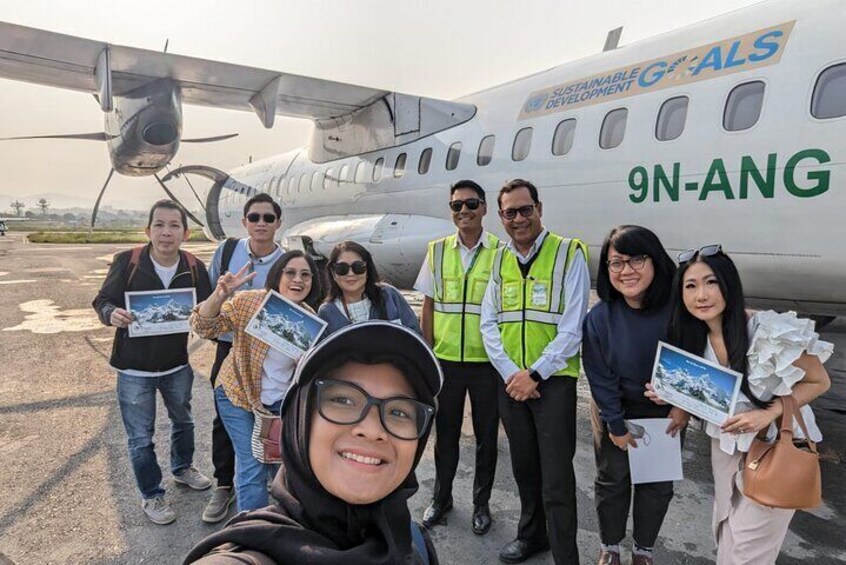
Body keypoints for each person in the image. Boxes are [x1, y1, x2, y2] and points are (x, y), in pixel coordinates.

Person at [184, 321, 442, 565]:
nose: (372, 430)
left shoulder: (413, 540)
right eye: (343, 400)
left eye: (399, 412)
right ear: (299, 421)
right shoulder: (247, 554)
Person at [647, 245, 832, 564]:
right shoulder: (693, 338)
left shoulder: (768, 330)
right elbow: (712, 397)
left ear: (728, 284)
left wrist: (768, 414)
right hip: (725, 447)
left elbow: (819, 381)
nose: (701, 295)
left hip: (776, 448)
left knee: (748, 551)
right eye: (690, 286)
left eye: (711, 282)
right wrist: (674, 398)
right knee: (727, 534)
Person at [480, 179, 590, 565]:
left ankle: (565, 556)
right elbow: (488, 324)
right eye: (510, 212)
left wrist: (536, 374)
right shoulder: (497, 258)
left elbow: (573, 326)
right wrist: (514, 373)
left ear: (539, 209)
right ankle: (532, 537)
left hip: (553, 383)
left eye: (526, 209)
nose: (519, 218)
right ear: (501, 217)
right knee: (525, 468)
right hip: (511, 383)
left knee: (557, 477)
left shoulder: (568, 253)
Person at [92, 199, 213, 525]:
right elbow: (102, 300)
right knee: (140, 438)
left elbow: (208, 307)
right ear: (148, 230)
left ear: (185, 233)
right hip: (133, 369)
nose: (166, 232)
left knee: (184, 422)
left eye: (174, 225)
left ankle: (182, 468)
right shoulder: (127, 261)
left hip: (177, 365)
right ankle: (152, 495)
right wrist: (111, 314)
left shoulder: (193, 266)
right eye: (159, 225)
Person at [582, 226, 688, 565]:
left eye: (636, 259)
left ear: (655, 260)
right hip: (615, 411)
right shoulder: (600, 317)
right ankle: (610, 546)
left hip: (665, 416)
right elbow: (599, 375)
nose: (626, 270)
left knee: (656, 486)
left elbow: (697, 361)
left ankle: (643, 551)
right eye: (616, 263)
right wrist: (614, 423)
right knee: (612, 481)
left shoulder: (679, 310)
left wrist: (681, 404)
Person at [190, 250, 322, 513]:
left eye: (305, 275)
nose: (298, 280)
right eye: (291, 273)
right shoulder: (249, 302)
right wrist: (220, 295)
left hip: (276, 402)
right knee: (251, 462)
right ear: (278, 276)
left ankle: (285, 520)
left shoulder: (310, 322)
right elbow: (204, 327)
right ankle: (249, 531)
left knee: (279, 463)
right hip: (237, 394)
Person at [414, 179, 501, 534]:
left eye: (470, 204)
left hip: (486, 364)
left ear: (484, 208)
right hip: (446, 361)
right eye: (456, 206)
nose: (463, 211)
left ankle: (482, 504)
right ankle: (442, 498)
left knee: (486, 438)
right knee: (445, 435)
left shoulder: (500, 251)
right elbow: (429, 306)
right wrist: (427, 354)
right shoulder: (436, 251)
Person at [202, 192, 286, 523]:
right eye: (255, 217)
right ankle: (224, 485)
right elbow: (207, 300)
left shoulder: (288, 261)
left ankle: (268, 486)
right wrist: (222, 297)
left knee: (270, 417)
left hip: (271, 354)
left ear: (278, 223)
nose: (261, 223)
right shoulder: (226, 252)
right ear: (244, 222)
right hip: (231, 347)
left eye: (268, 218)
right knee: (226, 419)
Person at [318, 240, 421, 335]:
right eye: (342, 268)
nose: (350, 273)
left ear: (368, 270)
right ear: (333, 273)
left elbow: (415, 334)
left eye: (358, 267)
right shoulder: (327, 312)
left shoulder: (388, 295)